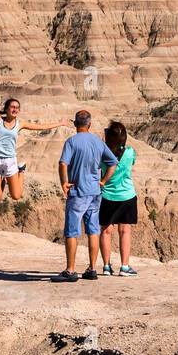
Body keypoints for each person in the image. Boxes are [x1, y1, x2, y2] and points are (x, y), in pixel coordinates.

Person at [0, 79, 69, 202]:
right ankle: (3, 179)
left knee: (16, 196)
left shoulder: (20, 124)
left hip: (10, 161)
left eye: (17, 108)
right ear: (7, 108)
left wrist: (60, 123)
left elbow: (41, 127)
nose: (15, 109)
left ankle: (21, 171)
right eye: (13, 107)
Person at [56, 110, 116, 282]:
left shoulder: (71, 142)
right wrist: (103, 181)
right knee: (93, 230)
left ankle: (70, 270)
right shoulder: (98, 142)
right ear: (89, 124)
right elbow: (113, 163)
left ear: (75, 124)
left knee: (72, 231)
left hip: (78, 191)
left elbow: (63, 163)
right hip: (95, 192)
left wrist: (64, 182)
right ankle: (92, 269)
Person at [99, 121, 138, 276]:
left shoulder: (103, 153)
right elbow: (132, 164)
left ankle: (106, 266)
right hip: (127, 195)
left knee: (106, 231)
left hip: (107, 195)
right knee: (125, 231)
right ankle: (124, 266)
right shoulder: (130, 152)